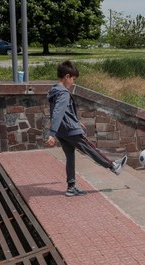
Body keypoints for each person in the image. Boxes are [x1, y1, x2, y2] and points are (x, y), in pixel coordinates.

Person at [46, 60, 127, 197]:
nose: (73, 82)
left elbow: (64, 111)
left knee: (70, 157)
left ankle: (71, 187)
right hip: (69, 131)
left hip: (62, 131)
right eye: (73, 79)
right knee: (90, 148)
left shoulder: (54, 90)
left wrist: (76, 121)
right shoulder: (64, 93)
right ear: (67, 76)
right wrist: (51, 134)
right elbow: (58, 112)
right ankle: (113, 166)